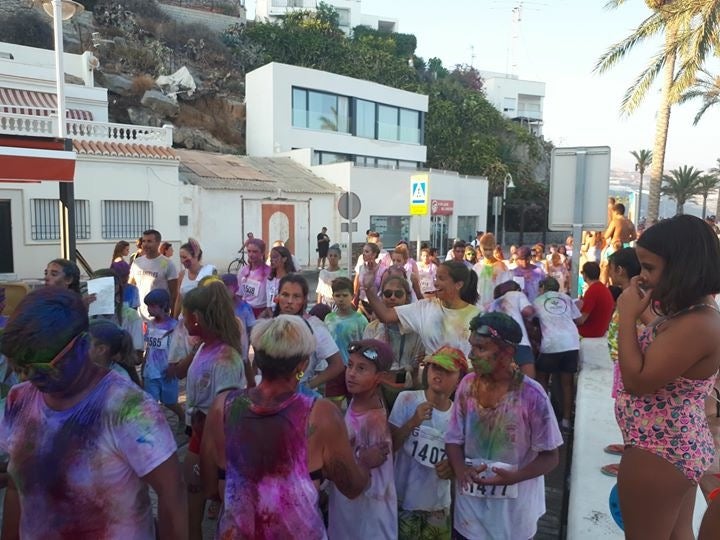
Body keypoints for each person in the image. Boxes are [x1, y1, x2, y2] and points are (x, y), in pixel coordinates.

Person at [0, 288, 186, 538]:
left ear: (82, 345)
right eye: (18, 366)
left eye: (39, 367)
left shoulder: (129, 409)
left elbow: (172, 495)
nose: (26, 376)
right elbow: (16, 487)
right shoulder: (19, 399)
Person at [200, 316, 389, 539]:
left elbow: (210, 487)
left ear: (258, 360)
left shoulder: (223, 407)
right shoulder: (321, 414)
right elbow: (352, 487)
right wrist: (365, 462)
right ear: (303, 364)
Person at [615, 214, 720, 539]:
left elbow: (638, 380)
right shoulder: (692, 316)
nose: (641, 277)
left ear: (682, 268)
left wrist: (626, 314)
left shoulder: (697, 324)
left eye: (649, 268)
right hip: (673, 446)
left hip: (659, 450)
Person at [445, 312, 563, 540]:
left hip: (514, 521)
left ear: (507, 352)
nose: (472, 356)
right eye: (472, 347)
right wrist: (461, 471)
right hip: (469, 516)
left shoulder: (532, 395)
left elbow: (551, 456)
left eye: (481, 349)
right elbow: (453, 439)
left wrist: (516, 476)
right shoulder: (467, 385)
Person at [169, 282, 247, 540]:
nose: (181, 318)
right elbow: (179, 372)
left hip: (216, 443)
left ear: (198, 318)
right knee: (192, 501)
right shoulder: (203, 347)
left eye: (185, 314)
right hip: (198, 436)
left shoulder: (225, 358)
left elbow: (225, 410)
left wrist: (209, 449)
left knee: (220, 504)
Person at [389, 346, 467, 540]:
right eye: (434, 367)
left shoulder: (461, 415)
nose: (438, 373)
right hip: (402, 500)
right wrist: (413, 422)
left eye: (447, 370)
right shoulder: (406, 399)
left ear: (459, 380)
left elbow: (463, 459)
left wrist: (452, 469)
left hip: (437, 506)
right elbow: (390, 446)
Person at [328, 339, 398, 539]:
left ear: (380, 377)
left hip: (368, 520)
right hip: (349, 514)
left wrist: (360, 461)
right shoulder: (357, 401)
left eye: (361, 369)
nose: (351, 373)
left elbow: (368, 481)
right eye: (349, 366)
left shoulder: (374, 420)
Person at [364, 261, 480, 357]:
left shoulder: (477, 316)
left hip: (465, 379)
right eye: (436, 278)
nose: (436, 283)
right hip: (433, 378)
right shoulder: (424, 307)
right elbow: (386, 316)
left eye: (441, 279)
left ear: (458, 285)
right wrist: (368, 288)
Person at [273, 274, 345, 397]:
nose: (290, 301)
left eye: (296, 296)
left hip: (301, 397)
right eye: (285, 295)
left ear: (304, 300)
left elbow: (337, 365)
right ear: (277, 297)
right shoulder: (270, 325)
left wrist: (308, 385)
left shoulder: (315, 327)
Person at [533, 277, 582, 431]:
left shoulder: (537, 301)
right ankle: (566, 420)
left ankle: (543, 417)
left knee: (542, 378)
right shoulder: (567, 298)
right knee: (567, 383)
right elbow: (579, 320)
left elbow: (532, 320)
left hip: (551, 343)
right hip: (572, 343)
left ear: (542, 288)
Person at [363, 276, 425, 389]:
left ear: (407, 298)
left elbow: (416, 369)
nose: (392, 298)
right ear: (381, 297)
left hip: (407, 387)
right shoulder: (372, 328)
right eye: (387, 294)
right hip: (377, 386)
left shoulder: (416, 330)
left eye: (398, 294)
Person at [324, 277, 368, 407]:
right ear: (333, 296)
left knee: (354, 405)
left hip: (353, 370)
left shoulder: (360, 320)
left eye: (345, 295)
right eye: (337, 295)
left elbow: (365, 346)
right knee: (333, 407)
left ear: (352, 296)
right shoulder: (328, 319)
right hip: (333, 370)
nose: (341, 299)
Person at [143, 289, 184, 427]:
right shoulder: (149, 324)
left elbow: (178, 349)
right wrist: (144, 365)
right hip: (151, 371)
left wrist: (174, 366)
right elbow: (149, 347)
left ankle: (182, 417)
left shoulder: (174, 326)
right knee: (151, 403)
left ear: (163, 306)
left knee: (170, 401)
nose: (149, 309)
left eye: (152, 306)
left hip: (167, 370)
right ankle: (155, 428)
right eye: (148, 305)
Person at [92, 268, 145, 366]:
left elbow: (138, 358)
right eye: (93, 287)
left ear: (115, 288)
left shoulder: (130, 316)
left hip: (120, 374)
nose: (96, 292)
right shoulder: (88, 315)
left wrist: (111, 357)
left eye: (101, 287)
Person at [488, 280, 537, 378]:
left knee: (506, 382)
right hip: (519, 343)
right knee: (529, 382)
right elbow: (527, 311)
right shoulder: (517, 294)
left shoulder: (493, 304)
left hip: (499, 346)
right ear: (518, 289)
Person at [129, 229, 179, 321]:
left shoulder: (168, 264)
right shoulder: (136, 263)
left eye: (149, 241)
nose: (145, 244)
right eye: (144, 241)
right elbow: (131, 286)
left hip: (160, 317)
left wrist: (172, 316)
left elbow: (174, 293)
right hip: (140, 317)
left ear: (158, 243)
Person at [87, 318, 142, 386]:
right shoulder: (85, 369)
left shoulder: (119, 382)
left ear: (101, 349)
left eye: (84, 342)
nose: (77, 346)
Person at [173, 238, 216, 317]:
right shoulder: (182, 274)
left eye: (185, 257)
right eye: (181, 257)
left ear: (195, 256)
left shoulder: (208, 273)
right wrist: (174, 319)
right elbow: (179, 299)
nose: (182, 261)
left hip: (202, 318)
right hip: (185, 318)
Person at [472, 233, 510, 310]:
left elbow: (506, 289)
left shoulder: (502, 267)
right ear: (480, 248)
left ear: (494, 248)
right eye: (485, 249)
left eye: (490, 249)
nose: (488, 253)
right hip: (478, 307)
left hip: (496, 307)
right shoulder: (477, 267)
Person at [236, 237, 271, 319]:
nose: (251, 254)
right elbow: (239, 294)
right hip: (246, 311)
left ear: (262, 253)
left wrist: (266, 312)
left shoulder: (269, 272)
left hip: (262, 312)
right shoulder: (243, 271)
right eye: (249, 251)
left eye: (255, 252)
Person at [264, 245, 297, 317]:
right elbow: (269, 305)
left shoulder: (292, 279)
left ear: (284, 259)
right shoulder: (270, 279)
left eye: (275, 257)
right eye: (271, 257)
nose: (271, 260)